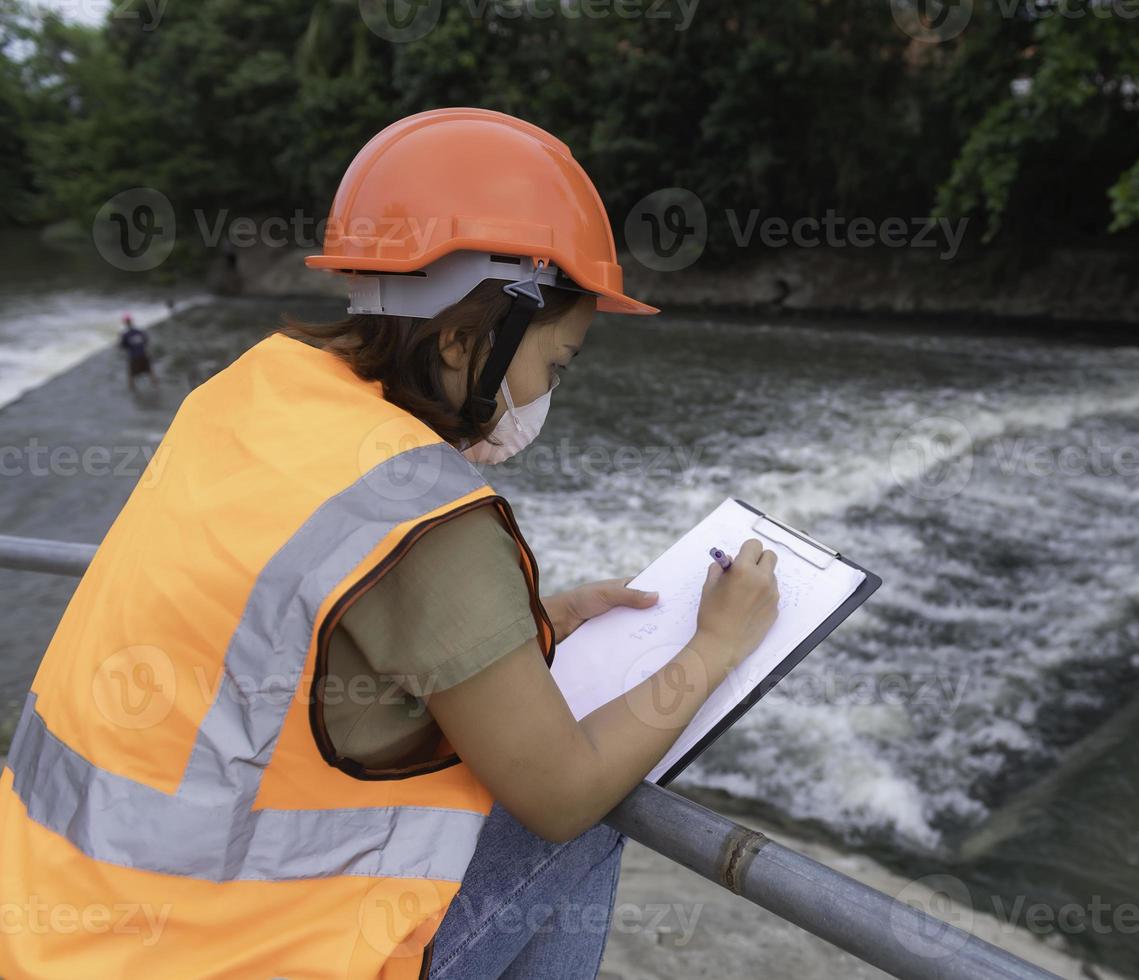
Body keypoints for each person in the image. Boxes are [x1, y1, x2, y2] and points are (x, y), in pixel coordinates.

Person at [0, 108, 780, 978]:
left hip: (52, 928)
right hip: (227, 957)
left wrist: (544, 620)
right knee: (588, 826)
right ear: (462, 340)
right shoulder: (422, 516)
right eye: (555, 366)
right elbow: (562, 793)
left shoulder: (247, 392)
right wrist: (715, 646)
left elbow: (291, 638)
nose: (549, 392)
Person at [118, 312, 157, 390]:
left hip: (134, 356)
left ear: (125, 323)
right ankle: (155, 385)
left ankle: (132, 388)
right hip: (143, 354)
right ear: (132, 321)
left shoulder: (125, 335)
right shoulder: (139, 331)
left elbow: (123, 346)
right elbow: (146, 341)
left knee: (131, 374)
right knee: (149, 371)